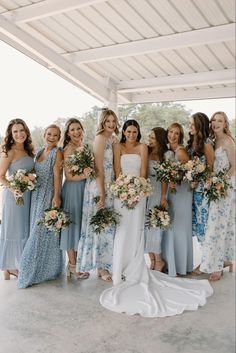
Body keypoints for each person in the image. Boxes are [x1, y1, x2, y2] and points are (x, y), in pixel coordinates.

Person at [100, 119, 213, 318]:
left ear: (138, 133)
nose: (132, 134)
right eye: (129, 131)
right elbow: (118, 172)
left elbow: (144, 173)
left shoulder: (143, 147)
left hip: (140, 195)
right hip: (121, 194)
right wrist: (124, 191)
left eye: (135, 131)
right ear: (124, 131)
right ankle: (120, 269)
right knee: (122, 231)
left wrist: (137, 194)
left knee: (137, 232)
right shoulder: (118, 146)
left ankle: (135, 268)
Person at [17, 124, 64, 288]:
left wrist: (57, 196)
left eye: (55, 135)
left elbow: (58, 176)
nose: (52, 137)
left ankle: (30, 270)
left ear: (59, 138)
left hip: (49, 196)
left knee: (40, 233)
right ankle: (45, 270)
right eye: (49, 134)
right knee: (38, 232)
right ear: (44, 134)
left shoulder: (58, 153)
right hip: (36, 196)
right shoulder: (39, 153)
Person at [76, 109, 119, 281]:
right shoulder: (100, 138)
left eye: (113, 121)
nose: (111, 124)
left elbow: (116, 166)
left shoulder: (114, 139)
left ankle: (108, 263)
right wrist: (102, 194)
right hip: (98, 186)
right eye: (107, 121)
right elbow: (99, 168)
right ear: (102, 122)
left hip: (111, 185)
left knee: (109, 226)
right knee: (99, 226)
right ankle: (101, 268)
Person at [199, 112, 235, 281]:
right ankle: (224, 260)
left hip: (225, 189)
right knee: (215, 226)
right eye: (213, 120)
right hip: (216, 187)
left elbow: (234, 166)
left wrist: (221, 182)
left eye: (219, 121)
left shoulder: (227, 141)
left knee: (219, 226)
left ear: (225, 124)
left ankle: (218, 266)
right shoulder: (212, 141)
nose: (215, 123)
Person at [0, 118, 34, 280]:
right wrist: (13, 188)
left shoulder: (29, 152)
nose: (19, 134)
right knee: (13, 229)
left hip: (27, 196)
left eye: (21, 130)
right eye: (15, 131)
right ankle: (10, 266)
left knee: (24, 229)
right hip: (14, 197)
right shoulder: (9, 151)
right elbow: (1, 176)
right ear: (11, 135)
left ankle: (18, 264)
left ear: (26, 132)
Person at [60, 118, 92, 279]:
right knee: (72, 226)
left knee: (80, 226)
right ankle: (73, 266)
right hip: (73, 189)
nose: (76, 132)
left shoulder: (83, 147)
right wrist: (83, 175)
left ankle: (76, 263)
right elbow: (68, 175)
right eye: (72, 129)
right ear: (68, 133)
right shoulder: (69, 149)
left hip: (84, 189)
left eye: (78, 128)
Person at [162, 123, 193, 276]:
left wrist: (177, 180)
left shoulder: (180, 152)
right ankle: (169, 263)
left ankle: (180, 265)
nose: (172, 135)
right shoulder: (168, 150)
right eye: (171, 132)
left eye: (176, 133)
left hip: (182, 194)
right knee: (170, 227)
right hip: (171, 192)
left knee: (179, 227)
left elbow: (191, 174)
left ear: (180, 136)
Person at [144, 127, 172, 272]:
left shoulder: (167, 154)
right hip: (145, 191)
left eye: (153, 138)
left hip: (158, 191)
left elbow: (165, 178)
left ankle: (159, 261)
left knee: (155, 226)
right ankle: (152, 260)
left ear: (160, 139)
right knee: (145, 226)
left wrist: (163, 196)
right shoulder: (147, 151)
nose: (150, 140)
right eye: (149, 136)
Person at [187, 113, 214, 244]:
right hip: (193, 190)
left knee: (203, 224)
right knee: (198, 225)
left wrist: (199, 179)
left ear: (200, 125)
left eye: (192, 124)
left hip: (203, 191)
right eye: (189, 123)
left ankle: (206, 262)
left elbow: (210, 168)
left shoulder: (207, 142)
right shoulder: (192, 142)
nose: (189, 126)